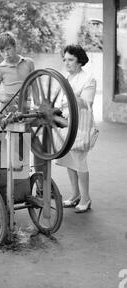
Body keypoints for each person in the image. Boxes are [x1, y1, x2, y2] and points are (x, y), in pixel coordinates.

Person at [56, 44, 97, 213]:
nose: (67, 63)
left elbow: (87, 103)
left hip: (81, 125)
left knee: (79, 162)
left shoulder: (88, 79)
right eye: (65, 59)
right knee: (69, 161)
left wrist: (71, 98)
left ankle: (86, 199)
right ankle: (75, 195)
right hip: (66, 125)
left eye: (70, 60)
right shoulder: (66, 77)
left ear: (79, 61)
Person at [0, 31, 39, 112]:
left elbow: (35, 87)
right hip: (8, 110)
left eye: (8, 49)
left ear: (15, 46)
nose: (6, 54)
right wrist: (5, 98)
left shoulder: (29, 63)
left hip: (26, 109)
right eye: (2, 51)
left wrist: (37, 106)